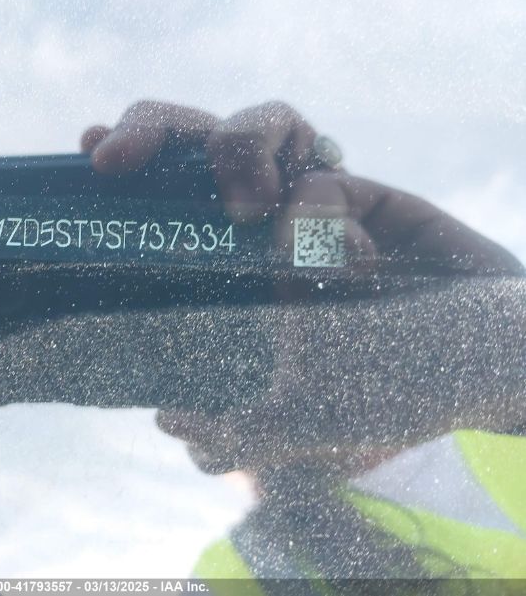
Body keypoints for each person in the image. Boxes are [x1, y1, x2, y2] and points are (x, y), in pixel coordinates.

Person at [82, 101, 526, 587]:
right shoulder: (235, 578)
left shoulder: (492, 391)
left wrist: (508, 337)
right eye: (185, 306)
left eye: (262, 263)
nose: (242, 316)